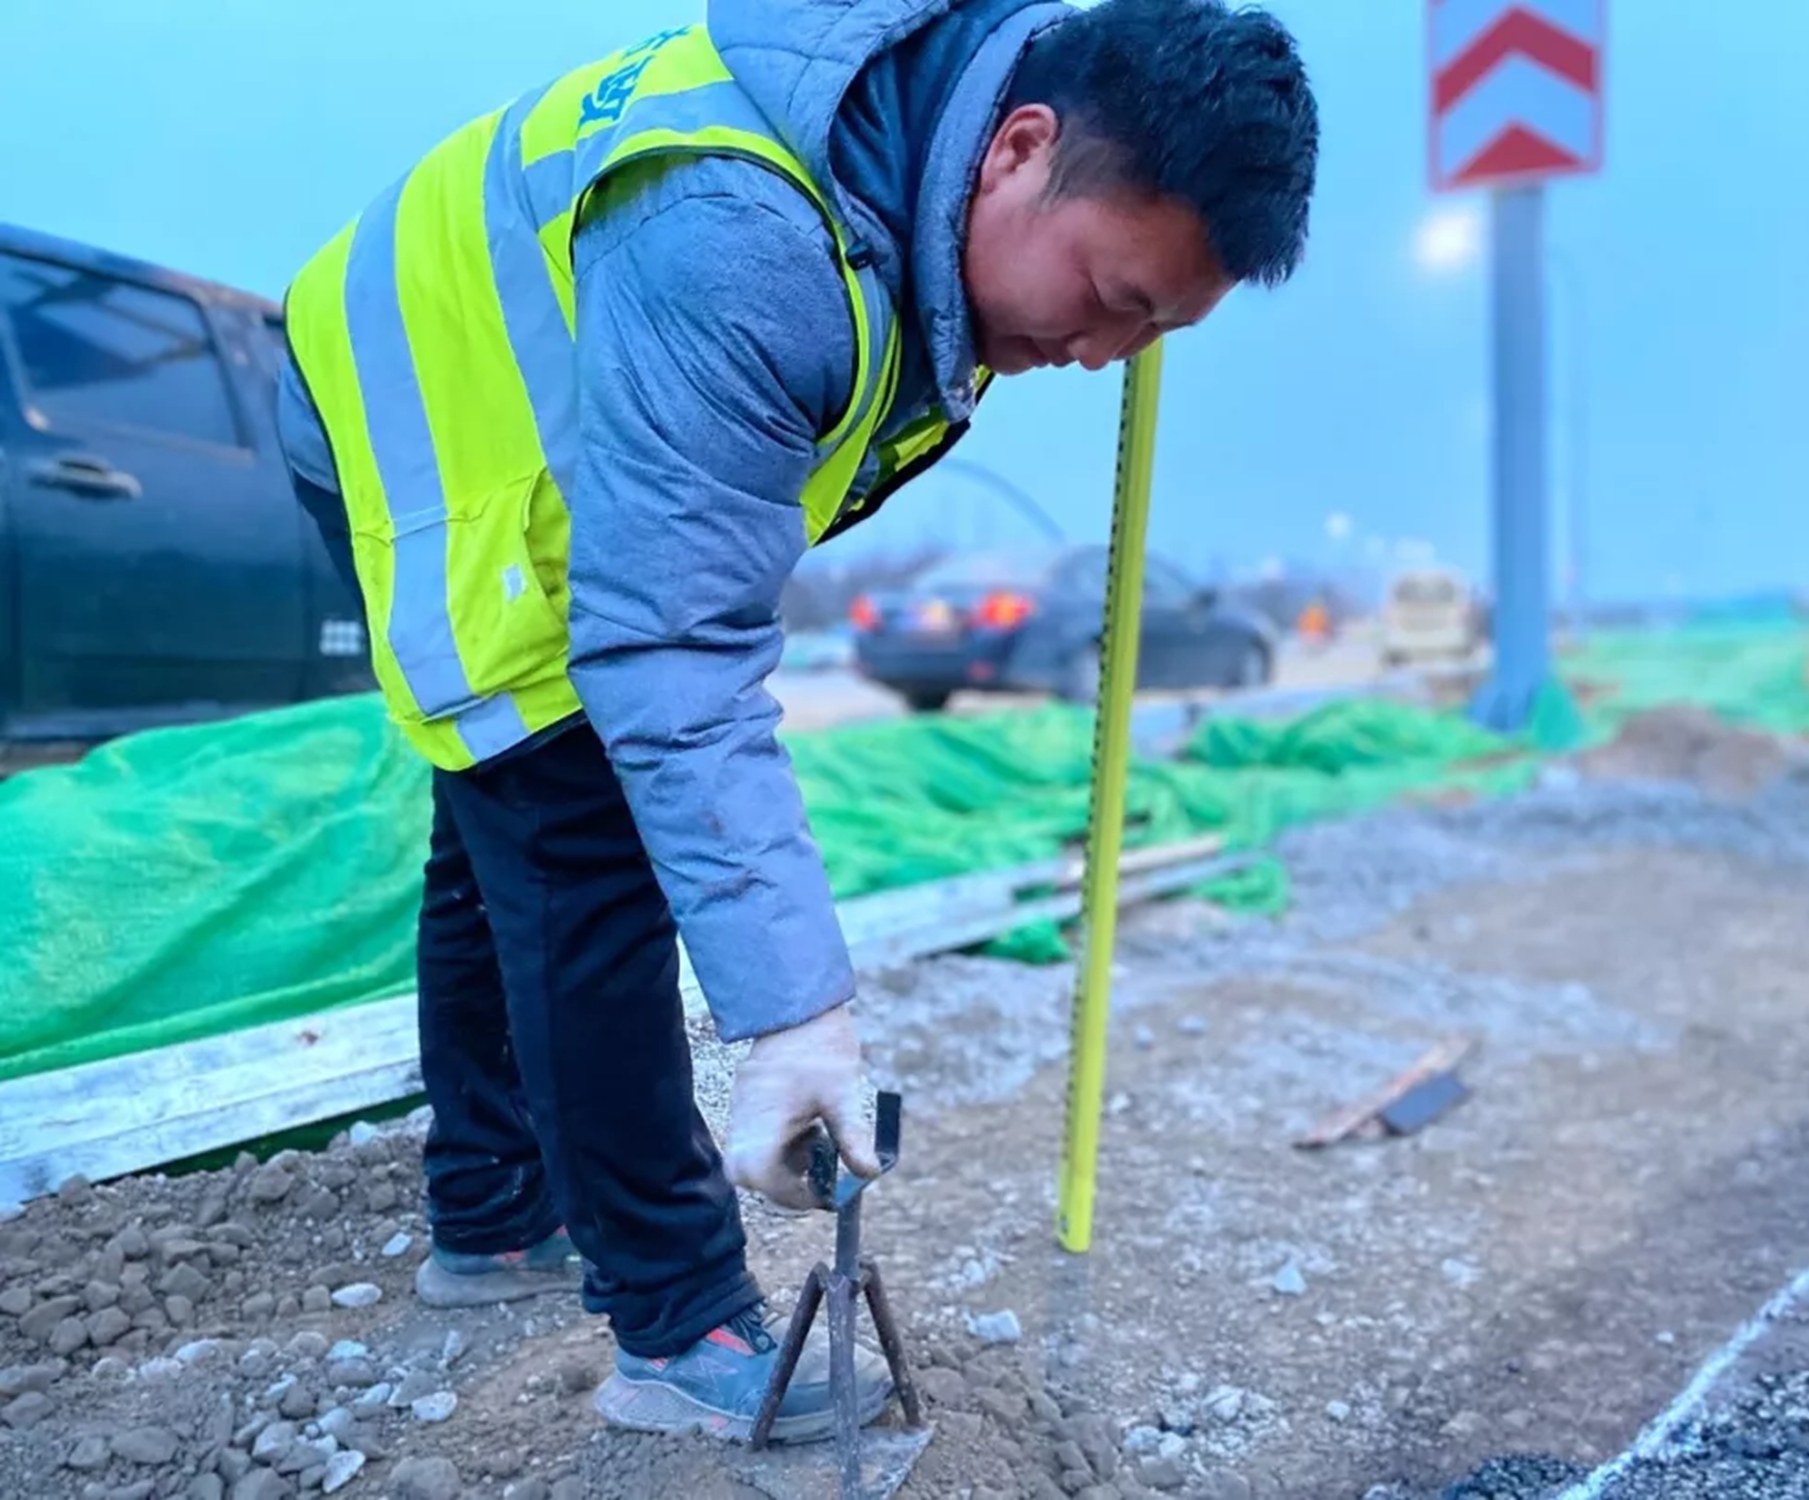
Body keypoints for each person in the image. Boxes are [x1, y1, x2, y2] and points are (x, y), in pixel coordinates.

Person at [275, 0, 1318, 1444]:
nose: (1100, 353)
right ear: (1021, 150)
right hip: (404, 406)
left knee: (497, 812)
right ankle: (678, 1312)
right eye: (1110, 294)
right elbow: (675, 651)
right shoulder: (747, 236)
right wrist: (797, 1020)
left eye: (1152, 331)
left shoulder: (922, 192)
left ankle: (494, 1214)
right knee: (569, 810)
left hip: (527, 393)